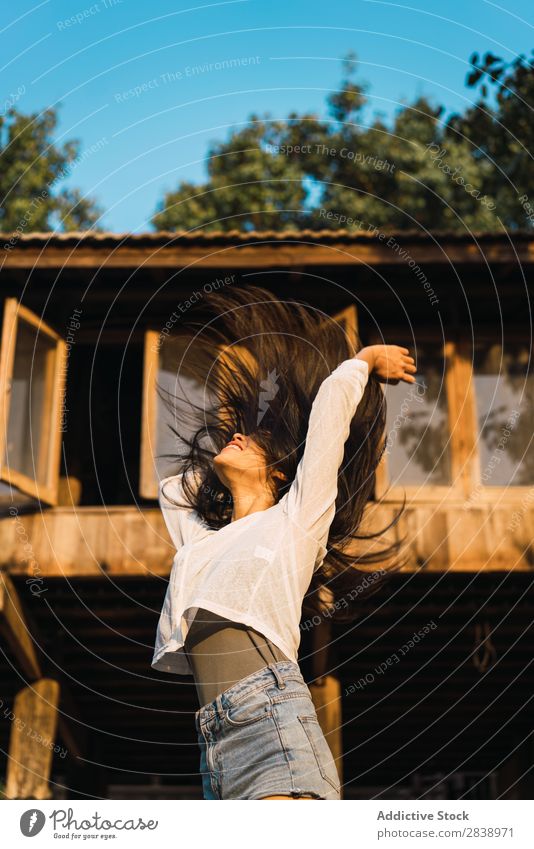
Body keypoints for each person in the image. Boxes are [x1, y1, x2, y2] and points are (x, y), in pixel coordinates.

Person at [151, 286, 416, 799]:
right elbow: (172, 491)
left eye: (253, 439)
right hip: (214, 740)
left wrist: (359, 364)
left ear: (279, 470)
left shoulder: (297, 520)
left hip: (271, 717)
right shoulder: (201, 542)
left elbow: (327, 427)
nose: (237, 437)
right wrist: (232, 445)